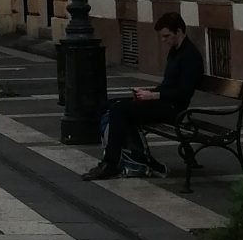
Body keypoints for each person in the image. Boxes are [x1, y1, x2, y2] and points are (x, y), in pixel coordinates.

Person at [85, 9, 207, 179]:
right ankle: (130, 157)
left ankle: (111, 163)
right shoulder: (175, 51)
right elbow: (168, 85)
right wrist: (149, 92)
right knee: (109, 105)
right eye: (162, 37)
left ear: (179, 31)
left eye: (166, 36)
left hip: (174, 109)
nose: (163, 40)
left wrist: (154, 96)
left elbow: (183, 92)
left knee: (119, 110)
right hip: (163, 102)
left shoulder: (190, 56)